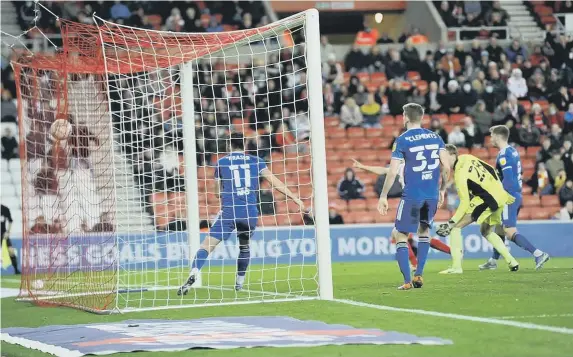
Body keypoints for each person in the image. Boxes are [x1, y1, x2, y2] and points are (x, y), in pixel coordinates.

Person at [178, 133, 305, 294]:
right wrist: (295, 198)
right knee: (244, 247)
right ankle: (239, 282)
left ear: (229, 146)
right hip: (249, 212)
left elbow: (217, 193)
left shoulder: (221, 163)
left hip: (229, 212)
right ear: (244, 145)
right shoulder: (256, 161)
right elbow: (275, 182)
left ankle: (194, 271)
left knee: (206, 246)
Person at [377, 103, 450, 290]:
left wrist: (383, 195)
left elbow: (393, 171)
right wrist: (441, 190)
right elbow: (447, 167)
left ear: (406, 117)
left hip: (412, 195)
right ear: (422, 117)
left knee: (399, 234)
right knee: (424, 232)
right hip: (432, 194)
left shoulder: (402, 140)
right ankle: (419, 275)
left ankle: (407, 281)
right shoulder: (436, 137)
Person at [436, 145, 519, 274]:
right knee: (486, 231)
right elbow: (491, 169)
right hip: (500, 196)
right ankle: (512, 261)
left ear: (452, 155)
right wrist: (501, 190)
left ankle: (456, 267)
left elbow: (464, 203)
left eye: (444, 157)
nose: (442, 161)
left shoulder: (459, 174)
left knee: (456, 228)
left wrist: (451, 222)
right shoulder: (467, 157)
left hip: (487, 199)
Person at [479, 126, 550, 271]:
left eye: (492, 135)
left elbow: (509, 180)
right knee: (499, 228)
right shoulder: (512, 151)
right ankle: (493, 260)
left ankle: (538, 254)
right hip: (515, 194)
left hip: (508, 196)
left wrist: (501, 195)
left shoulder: (504, 155)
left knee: (509, 230)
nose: (490, 138)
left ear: (498, 137)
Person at [1, 204, 19, 274]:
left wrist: (8, 232)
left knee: (11, 251)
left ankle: (16, 270)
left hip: (3, 234)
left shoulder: (5, 209)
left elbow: (10, 221)